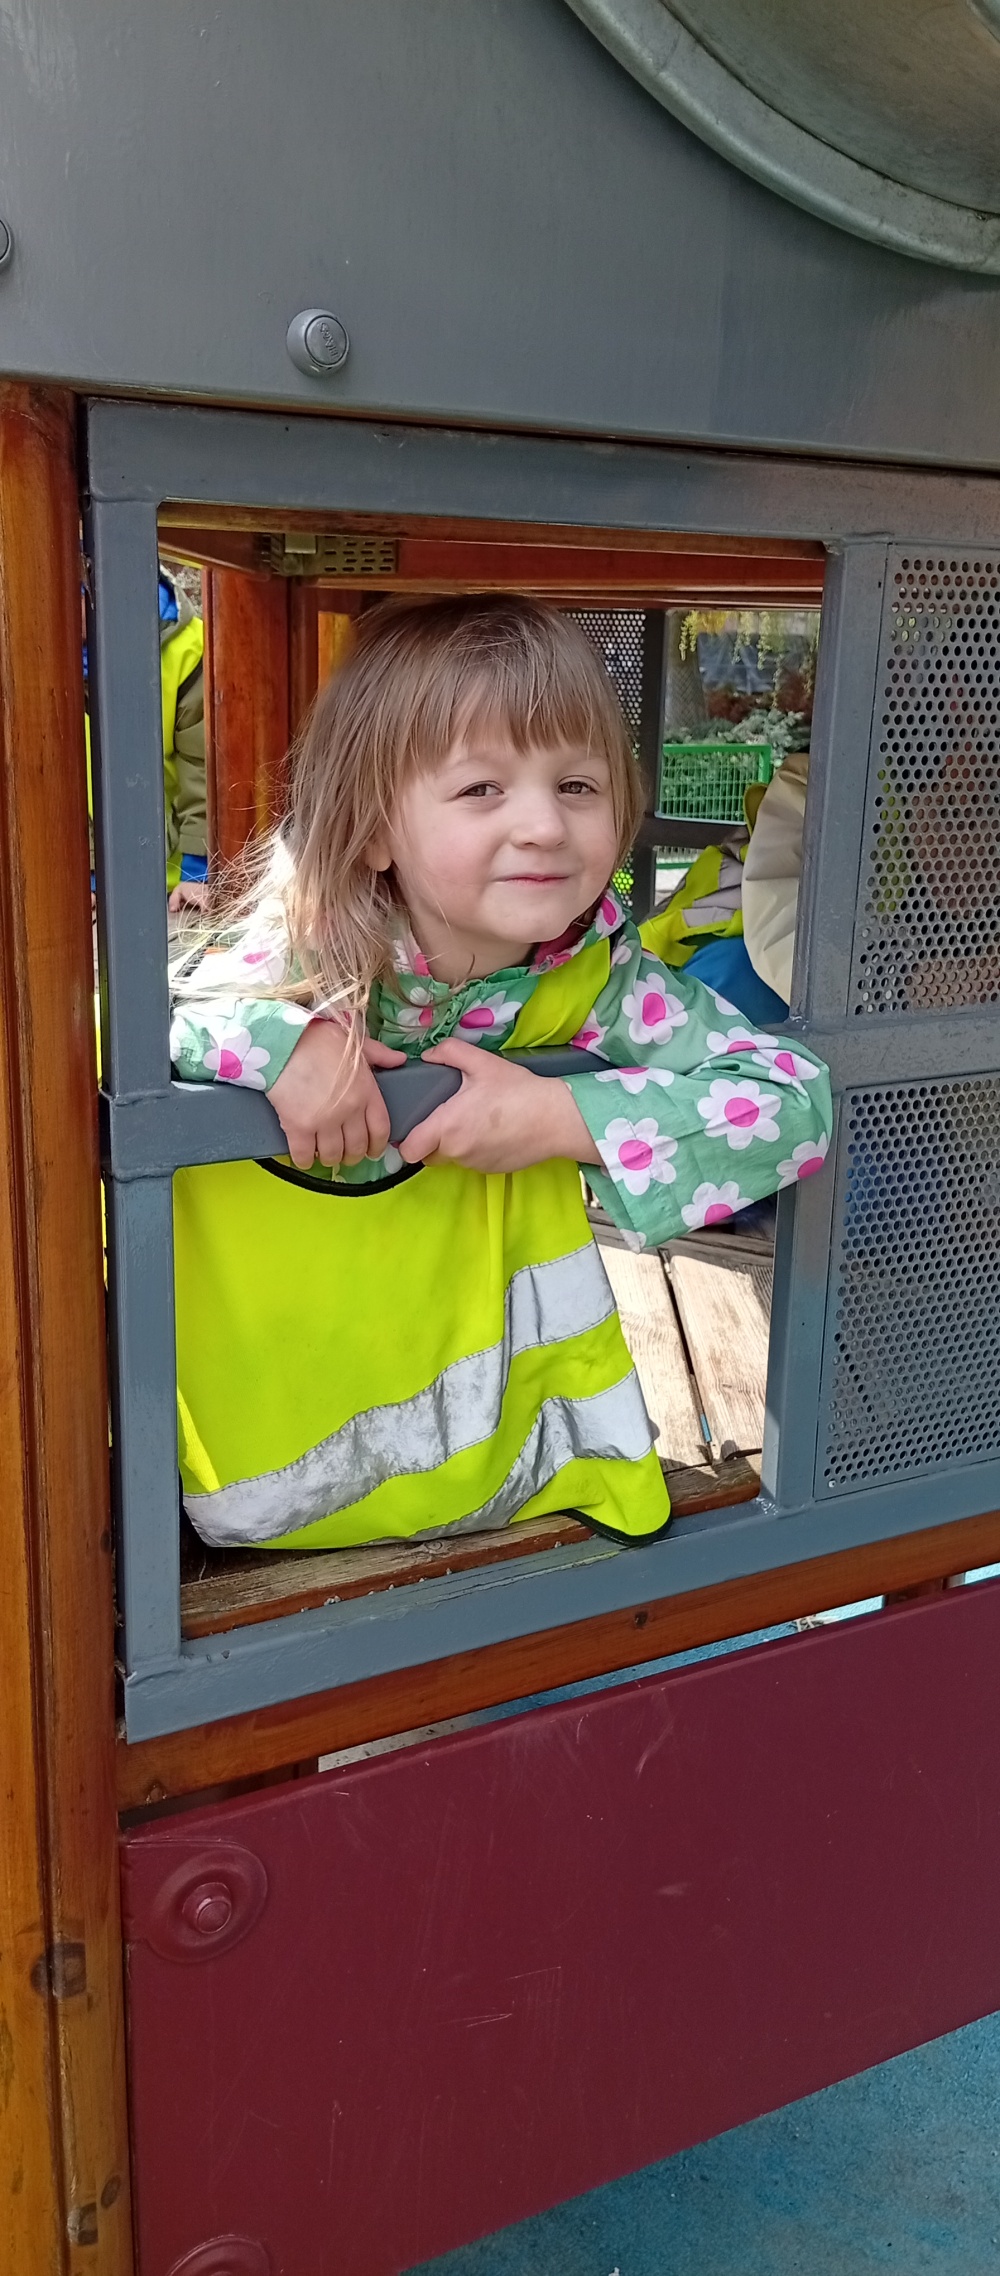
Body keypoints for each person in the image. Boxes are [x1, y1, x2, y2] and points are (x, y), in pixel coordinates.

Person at [170, 597, 832, 1555]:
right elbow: (151, 1028)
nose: (544, 826)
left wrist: (559, 1116)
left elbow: (792, 1098)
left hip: (508, 1456)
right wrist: (286, 1044)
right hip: (277, 1443)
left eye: (577, 784)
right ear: (373, 829)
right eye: (481, 788)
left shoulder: (597, 975)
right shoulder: (306, 947)